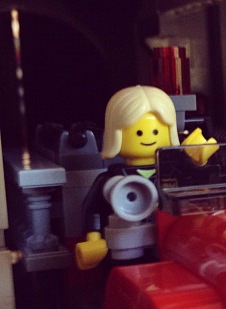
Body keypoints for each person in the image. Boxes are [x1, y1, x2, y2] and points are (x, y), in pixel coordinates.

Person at [75, 85, 216, 269]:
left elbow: (199, 191)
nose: (148, 137)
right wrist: (94, 238)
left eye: (156, 131)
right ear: (116, 133)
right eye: (138, 132)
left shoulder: (172, 170)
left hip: (169, 240)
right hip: (127, 245)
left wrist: (200, 162)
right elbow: (93, 209)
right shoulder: (112, 178)